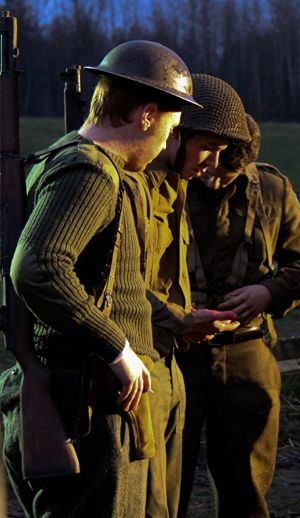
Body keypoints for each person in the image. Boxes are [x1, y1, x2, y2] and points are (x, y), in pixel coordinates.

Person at [1, 40, 198, 517]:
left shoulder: (64, 160)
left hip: (79, 397)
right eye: (170, 129)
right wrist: (119, 349)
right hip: (88, 406)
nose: (167, 145)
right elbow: (39, 266)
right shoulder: (90, 171)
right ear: (147, 116)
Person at [177, 109, 300, 517]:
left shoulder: (273, 190)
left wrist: (269, 291)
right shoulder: (167, 183)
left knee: (246, 489)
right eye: (209, 169)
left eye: (225, 176)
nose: (211, 180)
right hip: (176, 353)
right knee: (164, 486)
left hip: (246, 355)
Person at [126, 73, 248, 518]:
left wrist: (185, 321)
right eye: (208, 148)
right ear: (176, 133)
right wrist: (182, 320)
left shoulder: (172, 186)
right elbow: (118, 286)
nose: (213, 163)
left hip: (166, 364)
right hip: (135, 369)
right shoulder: (133, 187)